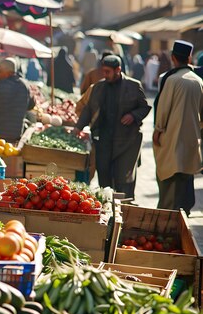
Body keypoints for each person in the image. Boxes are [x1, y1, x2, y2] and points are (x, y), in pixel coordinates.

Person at [75, 56, 150, 199]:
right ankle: (108, 209)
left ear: (118, 70)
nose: (105, 75)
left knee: (124, 179)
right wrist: (78, 128)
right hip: (103, 140)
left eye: (108, 71)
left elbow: (144, 107)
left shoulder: (133, 86)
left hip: (126, 141)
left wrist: (133, 115)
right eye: (103, 71)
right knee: (104, 177)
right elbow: (88, 110)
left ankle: (125, 208)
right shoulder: (98, 87)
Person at [152, 40, 203, 216]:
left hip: (171, 140)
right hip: (191, 142)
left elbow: (163, 110)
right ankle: (184, 213)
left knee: (168, 179)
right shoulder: (198, 82)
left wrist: (158, 131)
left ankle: (168, 217)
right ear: (189, 58)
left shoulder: (172, 80)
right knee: (185, 179)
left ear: (173, 58)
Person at [0, 58, 35, 142]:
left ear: (8, 73)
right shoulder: (25, 85)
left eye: (0, 71)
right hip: (16, 134)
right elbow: (31, 105)